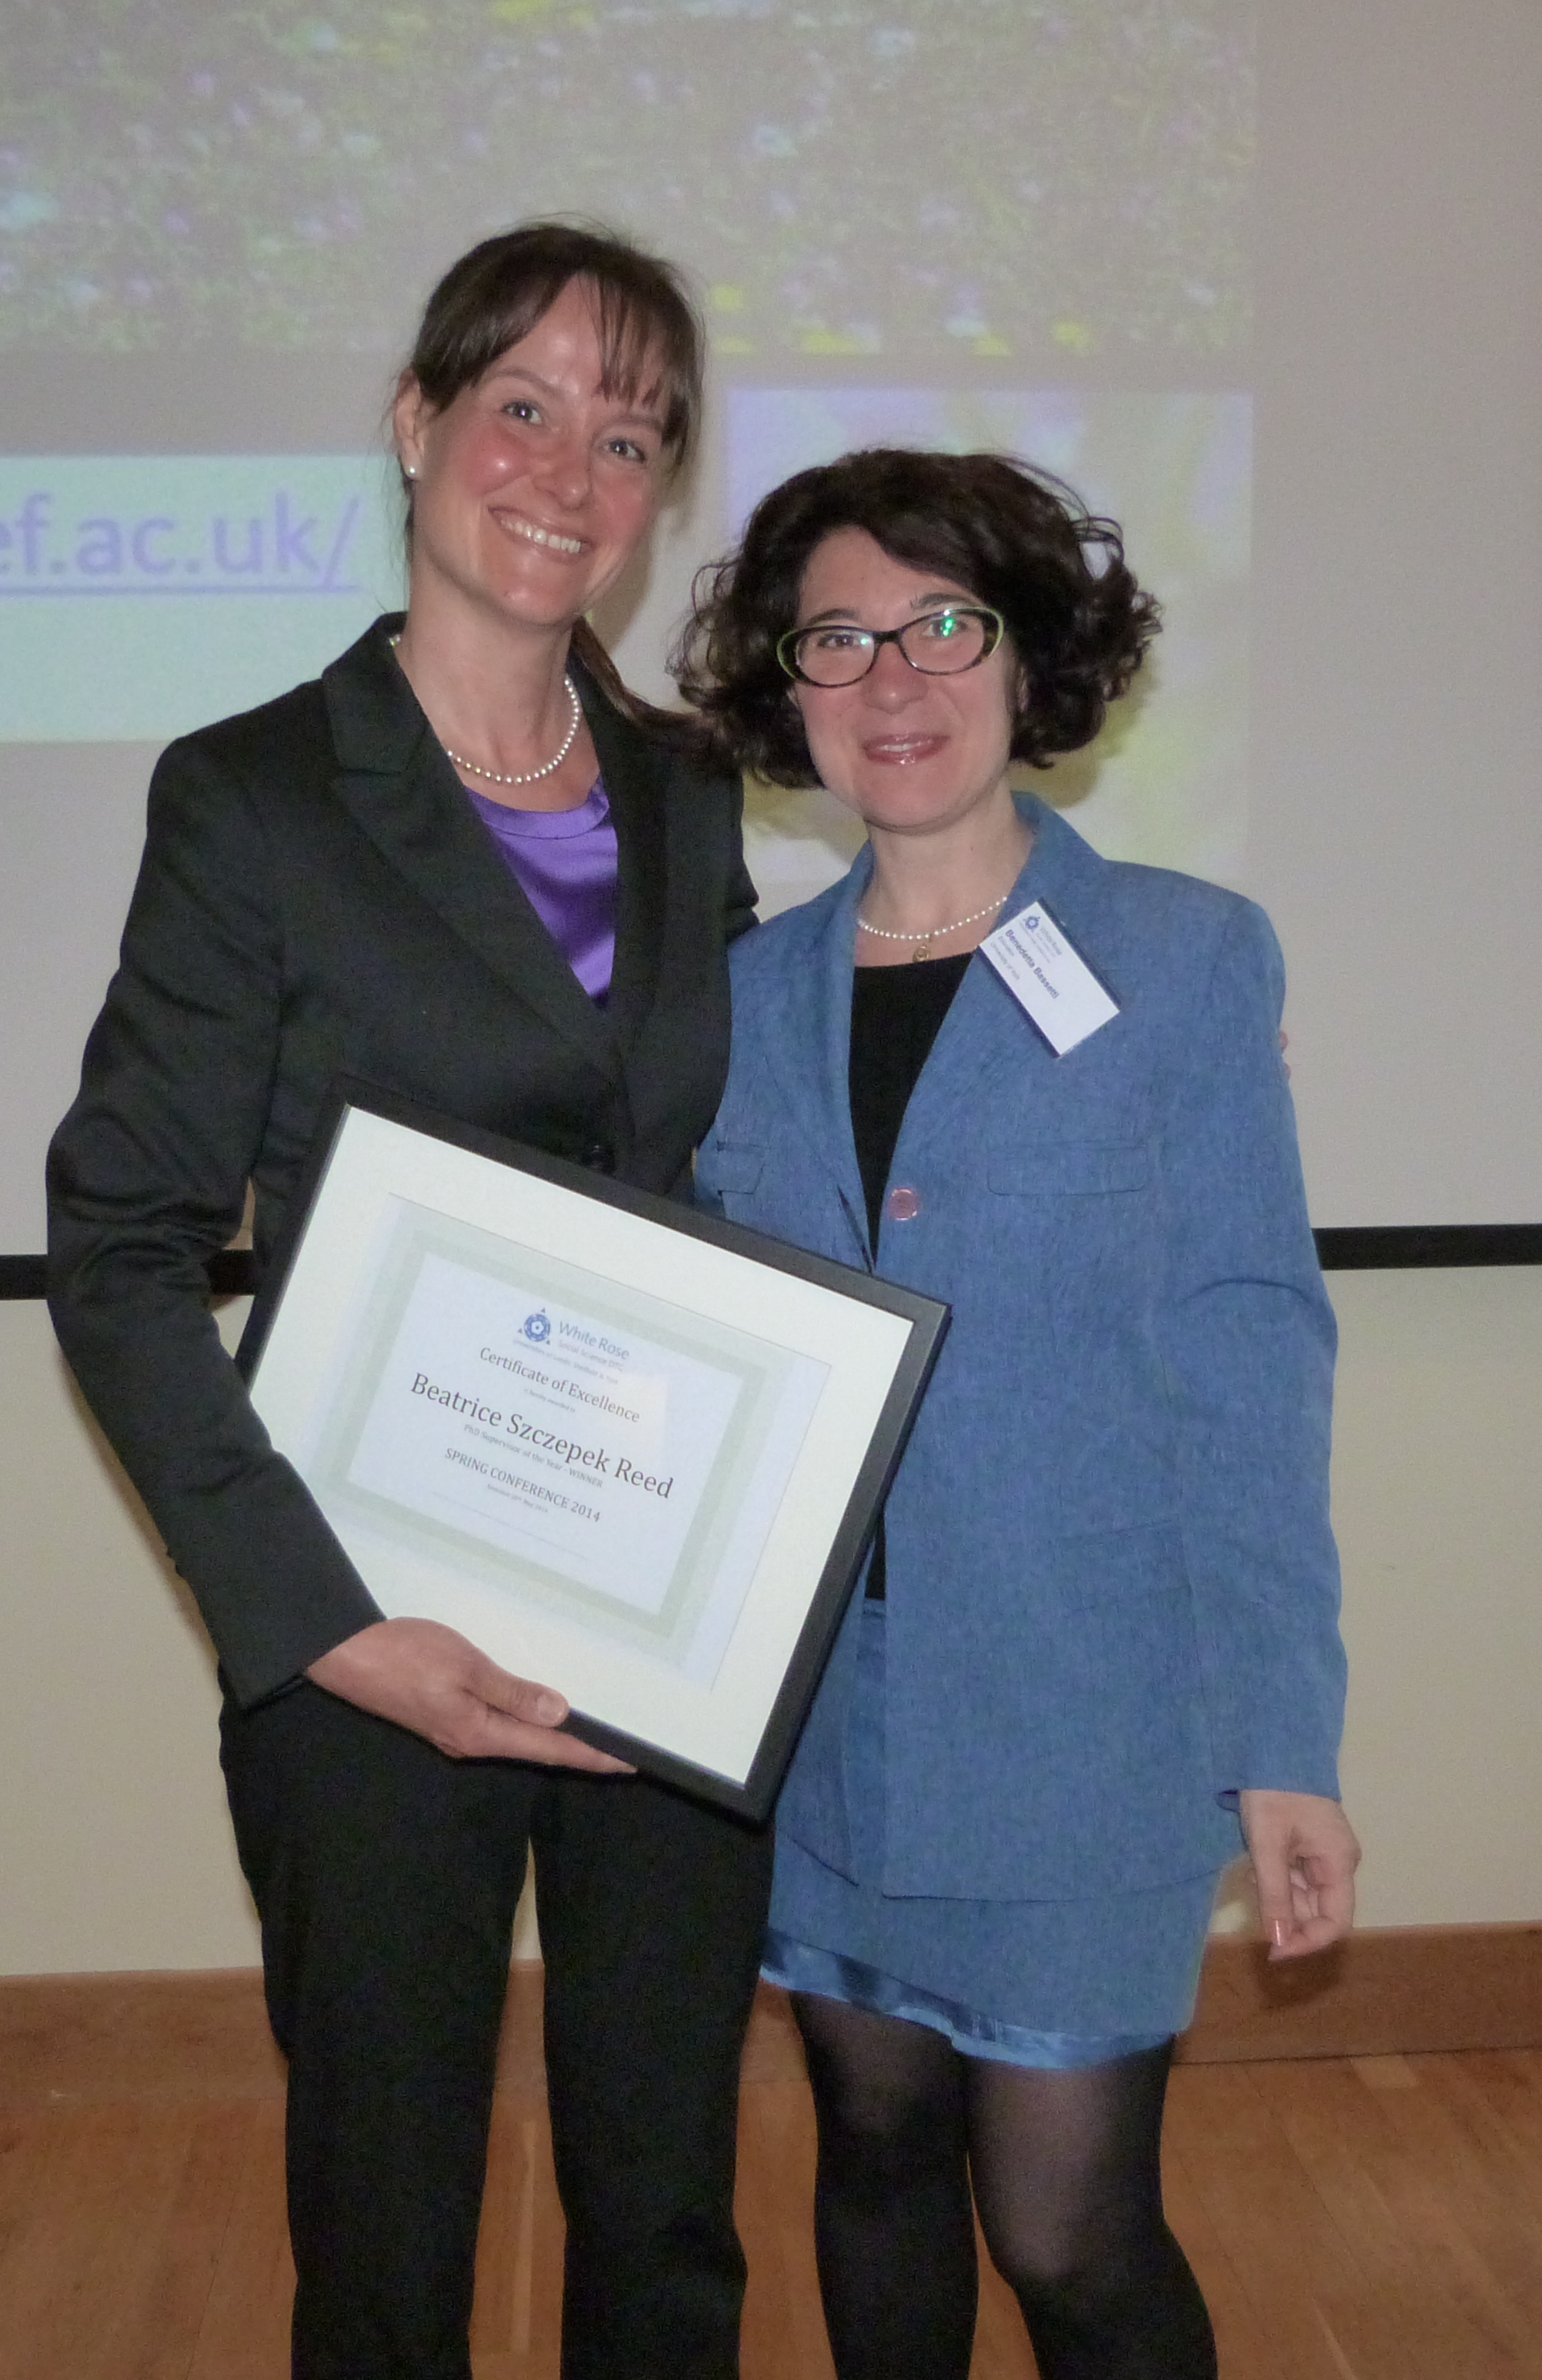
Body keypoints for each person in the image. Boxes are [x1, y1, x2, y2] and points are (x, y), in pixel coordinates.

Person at [47, 222, 773, 2380]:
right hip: (369, 1623)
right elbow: (118, 1243)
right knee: (385, 2238)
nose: (568, 472)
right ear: (415, 423)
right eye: (521, 407)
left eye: (626, 436)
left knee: (667, 2214)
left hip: (666, 1614)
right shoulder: (255, 794)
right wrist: (324, 1624)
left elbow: (742, 1153)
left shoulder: (688, 795)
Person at [679, 447, 1360, 2380]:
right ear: (788, 688)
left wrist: (1280, 1741)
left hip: (1087, 1728)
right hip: (824, 1737)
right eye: (835, 638)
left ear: (1028, 653)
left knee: (1068, 2234)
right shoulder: (740, 996)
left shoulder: (1185, 958)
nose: (889, 678)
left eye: (941, 624)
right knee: (874, 2156)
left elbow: (1247, 1357)